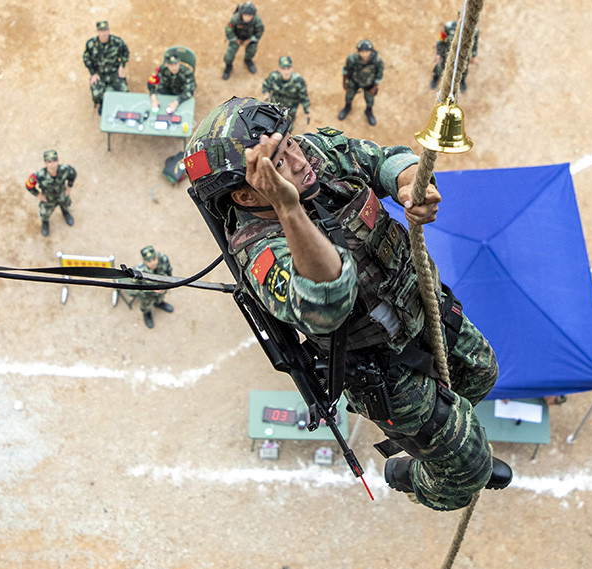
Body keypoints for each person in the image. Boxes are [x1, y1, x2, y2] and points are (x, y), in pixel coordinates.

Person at [184, 97, 513, 511]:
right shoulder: (261, 251)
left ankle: (440, 448)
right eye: (279, 164)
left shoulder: (313, 155)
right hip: (386, 370)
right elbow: (328, 301)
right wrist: (288, 206)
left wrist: (408, 182)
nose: (299, 161)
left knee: (481, 372)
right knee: (464, 479)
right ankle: (417, 474)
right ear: (248, 198)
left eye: (291, 145)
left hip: (421, 308)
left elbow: (378, 160)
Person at [24, 150, 76, 237]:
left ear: (58, 160)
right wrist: (38, 195)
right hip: (48, 199)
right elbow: (28, 185)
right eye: (49, 162)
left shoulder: (65, 169)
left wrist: (69, 186)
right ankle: (45, 223)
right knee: (44, 213)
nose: (53, 164)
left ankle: (65, 213)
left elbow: (73, 173)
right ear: (45, 163)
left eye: (55, 161)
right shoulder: (38, 175)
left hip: (62, 195)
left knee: (66, 204)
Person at [82, 20, 130, 115]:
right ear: (97, 31)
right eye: (101, 31)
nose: (103, 33)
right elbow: (86, 58)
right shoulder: (91, 44)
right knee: (96, 95)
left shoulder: (117, 42)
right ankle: (103, 104)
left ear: (108, 30)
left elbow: (126, 53)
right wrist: (93, 73)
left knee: (125, 92)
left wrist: (121, 66)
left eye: (105, 30)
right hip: (100, 74)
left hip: (114, 73)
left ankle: (119, 105)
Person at [337, 39, 383, 126]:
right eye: (362, 52)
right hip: (354, 81)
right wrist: (344, 82)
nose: (364, 54)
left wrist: (374, 87)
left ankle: (368, 111)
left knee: (370, 100)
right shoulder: (352, 59)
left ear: (371, 51)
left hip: (369, 84)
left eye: (367, 52)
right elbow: (345, 70)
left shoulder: (377, 60)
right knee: (349, 96)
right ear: (358, 52)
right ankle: (347, 107)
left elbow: (379, 75)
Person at [261, 56, 310, 133]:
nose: (286, 72)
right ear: (279, 69)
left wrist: (306, 111)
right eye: (283, 69)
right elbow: (266, 85)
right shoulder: (273, 77)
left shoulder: (299, 81)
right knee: (273, 124)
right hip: (276, 107)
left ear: (292, 69)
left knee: (287, 127)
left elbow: (304, 97)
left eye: (288, 69)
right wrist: (266, 93)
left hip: (290, 110)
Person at [131, 245, 174, 329]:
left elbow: (169, 271)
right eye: (149, 261)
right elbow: (134, 287)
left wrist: (168, 284)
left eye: (154, 259)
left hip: (162, 289)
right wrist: (152, 290)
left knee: (160, 298)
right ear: (144, 261)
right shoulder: (138, 271)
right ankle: (147, 314)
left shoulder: (163, 259)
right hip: (147, 294)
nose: (153, 262)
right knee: (146, 305)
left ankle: (159, 303)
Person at [431, 19, 479, 91]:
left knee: (463, 69)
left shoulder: (474, 30)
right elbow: (441, 40)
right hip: (446, 53)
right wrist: (438, 53)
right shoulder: (448, 26)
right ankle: (436, 77)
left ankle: (461, 80)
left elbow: (475, 43)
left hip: (463, 56)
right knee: (440, 67)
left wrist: (473, 55)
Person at [222, 2, 264, 79]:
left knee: (252, 50)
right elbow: (228, 29)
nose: (247, 18)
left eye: (250, 16)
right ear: (241, 14)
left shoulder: (257, 20)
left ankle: (248, 60)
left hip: (250, 38)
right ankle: (228, 66)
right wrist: (235, 39)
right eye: (245, 15)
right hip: (236, 38)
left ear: (253, 15)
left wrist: (250, 40)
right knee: (229, 54)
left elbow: (259, 31)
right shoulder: (235, 19)